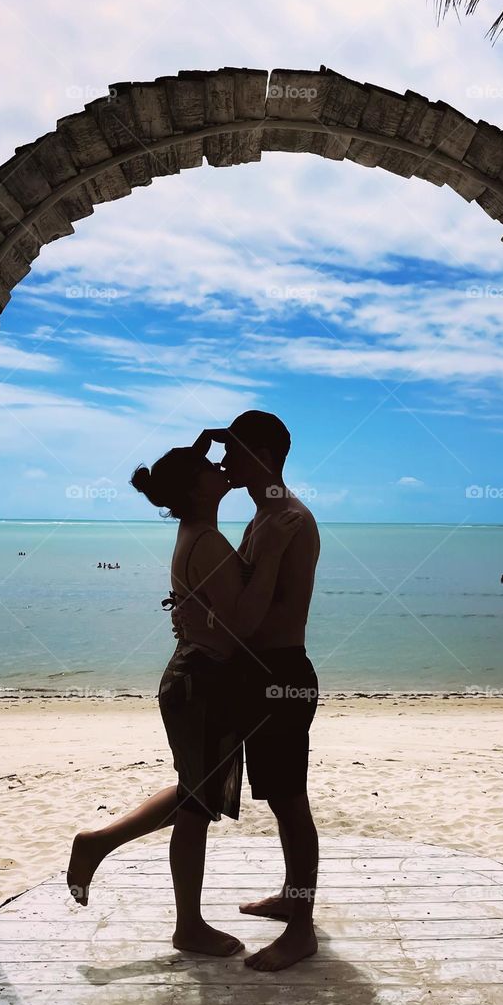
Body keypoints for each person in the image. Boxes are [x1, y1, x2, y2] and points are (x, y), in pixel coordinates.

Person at [66, 443, 300, 958]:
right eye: (209, 468)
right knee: (196, 806)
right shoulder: (208, 541)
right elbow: (242, 622)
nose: (221, 467)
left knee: (197, 792)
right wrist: (274, 555)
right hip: (202, 683)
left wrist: (199, 446)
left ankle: (98, 844)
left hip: (199, 677)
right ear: (195, 488)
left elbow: (220, 609)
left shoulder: (197, 531)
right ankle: (187, 926)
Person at [172, 411, 322, 972]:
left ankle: (301, 926)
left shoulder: (288, 519)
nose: (223, 462)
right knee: (265, 797)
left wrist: (208, 625)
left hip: (282, 674)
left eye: (233, 452)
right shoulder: (263, 516)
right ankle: (290, 897)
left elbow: (274, 615)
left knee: (290, 804)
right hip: (259, 674)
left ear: (262, 454)